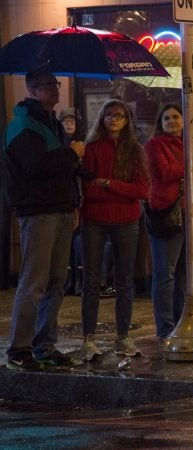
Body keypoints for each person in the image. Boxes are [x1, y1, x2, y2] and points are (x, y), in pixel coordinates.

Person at [2, 70, 84, 370]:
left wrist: (74, 202)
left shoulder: (52, 122)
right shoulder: (24, 125)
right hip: (38, 211)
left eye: (56, 84)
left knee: (55, 281)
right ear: (33, 90)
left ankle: (44, 345)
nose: (56, 90)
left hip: (60, 208)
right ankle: (19, 349)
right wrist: (72, 154)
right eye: (49, 86)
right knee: (34, 281)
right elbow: (36, 166)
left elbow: (62, 168)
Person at [79, 99, 149, 361]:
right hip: (94, 220)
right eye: (108, 115)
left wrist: (109, 183)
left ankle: (123, 337)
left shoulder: (135, 150)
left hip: (126, 222)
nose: (113, 119)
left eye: (119, 115)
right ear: (102, 118)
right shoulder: (92, 148)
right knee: (92, 281)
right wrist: (120, 189)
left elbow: (142, 191)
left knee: (125, 281)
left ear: (127, 120)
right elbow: (88, 189)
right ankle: (89, 339)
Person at [145, 103, 193, 344]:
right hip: (169, 214)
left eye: (176, 117)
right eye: (166, 118)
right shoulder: (155, 145)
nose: (172, 122)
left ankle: (181, 321)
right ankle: (164, 327)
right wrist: (192, 158)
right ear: (160, 122)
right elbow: (164, 173)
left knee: (185, 273)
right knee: (165, 273)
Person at [59, 107, 87, 298]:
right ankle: (69, 278)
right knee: (67, 243)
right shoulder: (60, 145)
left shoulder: (83, 145)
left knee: (79, 242)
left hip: (82, 196)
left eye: (72, 121)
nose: (69, 125)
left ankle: (80, 279)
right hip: (66, 198)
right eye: (65, 122)